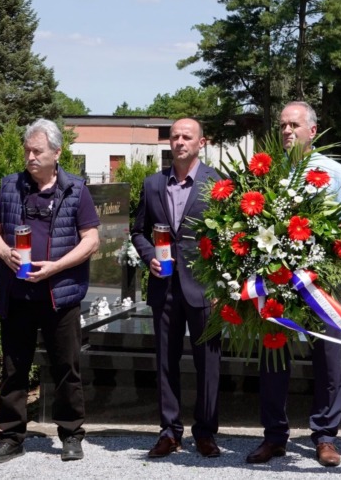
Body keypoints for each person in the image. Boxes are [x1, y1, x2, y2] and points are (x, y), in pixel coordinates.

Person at [244, 101, 341, 468]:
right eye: (282, 126)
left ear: (312, 130)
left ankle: (325, 436)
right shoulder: (266, 172)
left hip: (319, 281)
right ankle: (274, 436)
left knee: (327, 356)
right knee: (274, 354)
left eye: (294, 125)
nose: (287, 131)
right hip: (275, 282)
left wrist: (318, 256)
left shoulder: (334, 172)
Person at [0, 119, 100, 464]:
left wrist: (56, 267)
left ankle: (72, 434)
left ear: (57, 152)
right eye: (27, 150)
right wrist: (6, 253)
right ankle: (10, 437)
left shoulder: (76, 190)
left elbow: (91, 240)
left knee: (66, 366)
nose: (31, 157)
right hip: (17, 294)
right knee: (13, 368)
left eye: (38, 151)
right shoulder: (10, 186)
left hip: (59, 294)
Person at [131, 118, 222, 459]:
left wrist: (221, 283)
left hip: (204, 289)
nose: (180, 141)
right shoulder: (153, 184)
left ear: (201, 142)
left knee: (208, 363)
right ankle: (169, 431)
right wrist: (149, 255)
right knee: (166, 362)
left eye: (187, 136)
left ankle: (206, 432)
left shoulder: (217, 183)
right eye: (175, 137)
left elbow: (230, 238)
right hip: (164, 286)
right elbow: (137, 230)